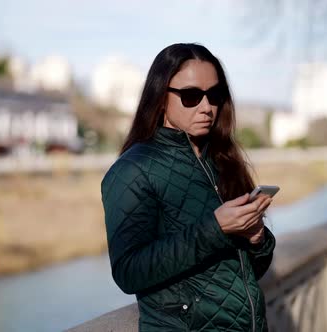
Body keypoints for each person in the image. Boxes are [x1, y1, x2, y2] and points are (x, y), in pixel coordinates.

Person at [101, 43, 276, 331]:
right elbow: (128, 271)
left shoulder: (222, 160)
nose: (207, 107)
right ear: (160, 98)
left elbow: (245, 274)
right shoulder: (132, 169)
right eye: (191, 96)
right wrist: (216, 229)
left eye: (215, 95)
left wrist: (258, 239)